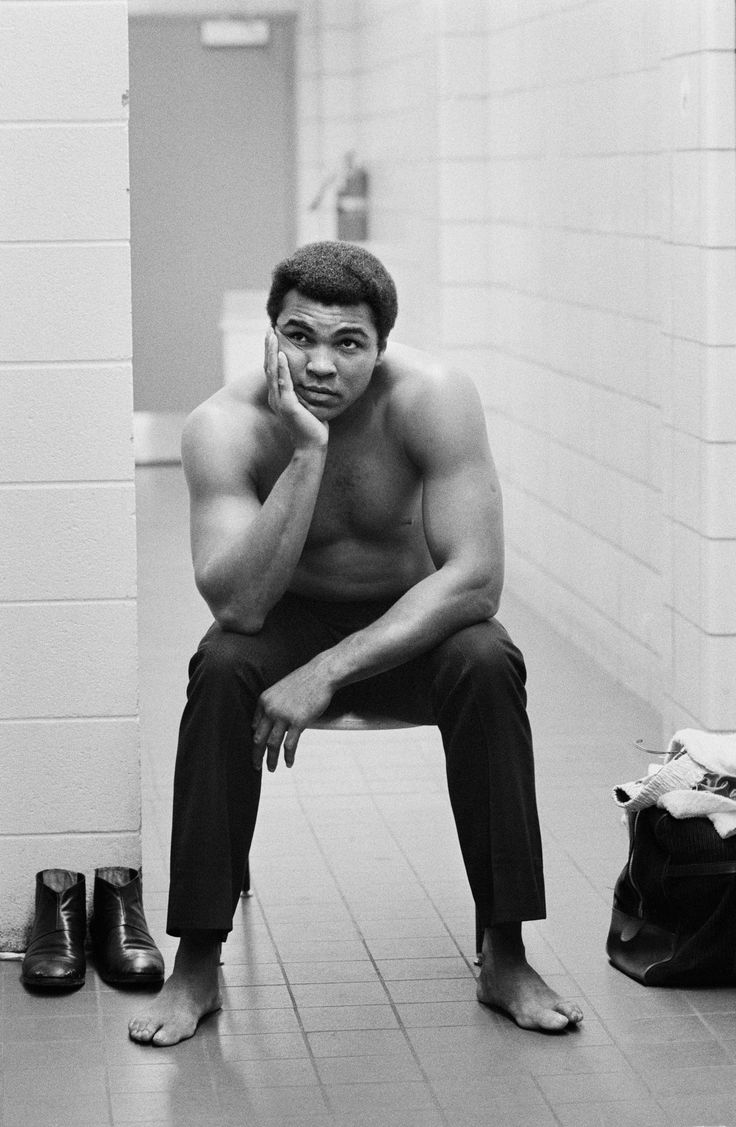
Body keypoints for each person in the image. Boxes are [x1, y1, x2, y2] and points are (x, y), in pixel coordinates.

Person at [129, 241, 583, 1046]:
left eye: (349, 344)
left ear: (382, 346)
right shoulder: (223, 427)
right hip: (285, 618)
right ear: (269, 336)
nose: (320, 365)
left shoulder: (434, 398)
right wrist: (307, 450)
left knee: (487, 658)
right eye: (299, 336)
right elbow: (237, 604)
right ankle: (196, 959)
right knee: (222, 666)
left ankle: (504, 950)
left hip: (412, 622)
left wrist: (327, 671)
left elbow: (475, 580)